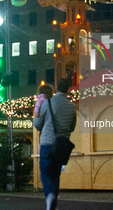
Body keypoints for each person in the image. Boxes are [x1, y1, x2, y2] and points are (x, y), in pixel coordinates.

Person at [33, 79, 76, 210]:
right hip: (61, 146)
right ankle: (53, 204)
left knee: (45, 172)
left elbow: (37, 124)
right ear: (68, 89)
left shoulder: (47, 102)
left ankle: (49, 195)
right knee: (56, 174)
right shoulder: (72, 106)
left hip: (47, 143)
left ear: (56, 88)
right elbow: (72, 127)